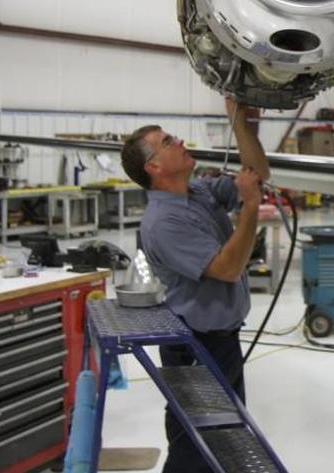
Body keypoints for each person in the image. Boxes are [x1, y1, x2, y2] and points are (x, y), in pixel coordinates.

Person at [120, 99, 270, 473]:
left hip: (220, 338)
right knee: (196, 447)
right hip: (196, 345)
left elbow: (258, 172)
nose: (180, 141)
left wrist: (237, 121)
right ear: (153, 166)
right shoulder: (163, 222)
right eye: (168, 141)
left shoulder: (197, 192)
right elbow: (228, 268)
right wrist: (250, 206)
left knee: (222, 438)